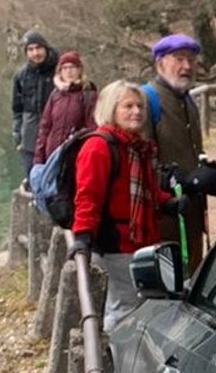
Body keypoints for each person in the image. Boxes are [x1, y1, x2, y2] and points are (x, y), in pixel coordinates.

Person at [68, 80, 173, 334]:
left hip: (141, 242)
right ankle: (114, 366)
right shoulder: (99, 147)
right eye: (128, 106)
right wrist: (82, 236)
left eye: (139, 106)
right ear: (111, 109)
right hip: (115, 245)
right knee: (123, 308)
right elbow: (87, 197)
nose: (136, 112)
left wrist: (167, 202)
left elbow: (145, 191)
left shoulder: (137, 147)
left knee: (138, 305)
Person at [143, 32, 216, 277]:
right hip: (163, 220)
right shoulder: (147, 100)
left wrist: (214, 175)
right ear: (160, 63)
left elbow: (195, 153)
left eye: (191, 60)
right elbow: (139, 160)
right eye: (179, 59)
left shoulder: (187, 101)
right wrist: (175, 183)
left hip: (192, 216)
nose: (187, 66)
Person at [33, 50, 97, 166]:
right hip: (51, 155)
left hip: (75, 155)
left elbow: (92, 127)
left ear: (79, 70)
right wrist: (38, 159)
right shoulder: (55, 95)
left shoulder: (88, 94)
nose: (69, 71)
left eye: (72, 67)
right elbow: (45, 127)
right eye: (65, 68)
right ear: (60, 72)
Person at [11, 30, 59, 182]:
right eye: (30, 50)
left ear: (46, 48)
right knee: (32, 178)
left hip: (55, 132)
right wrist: (18, 135)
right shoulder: (21, 75)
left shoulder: (59, 71)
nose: (35, 53)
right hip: (30, 134)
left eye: (38, 48)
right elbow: (17, 109)